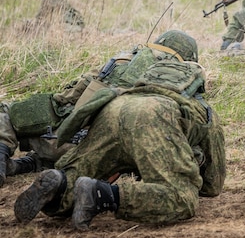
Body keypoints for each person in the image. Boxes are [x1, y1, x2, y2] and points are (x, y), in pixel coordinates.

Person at [14, 30, 226, 230]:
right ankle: (103, 195)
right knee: (181, 197)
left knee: (76, 174)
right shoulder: (201, 107)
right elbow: (212, 185)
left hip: (112, 107)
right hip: (153, 117)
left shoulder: (134, 86)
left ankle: (60, 184)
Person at [0, 30, 206, 186]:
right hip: (108, 161)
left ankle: (12, 157)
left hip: (60, 142)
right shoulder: (180, 82)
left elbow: (64, 100)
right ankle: (39, 165)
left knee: (9, 111)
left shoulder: (117, 64)